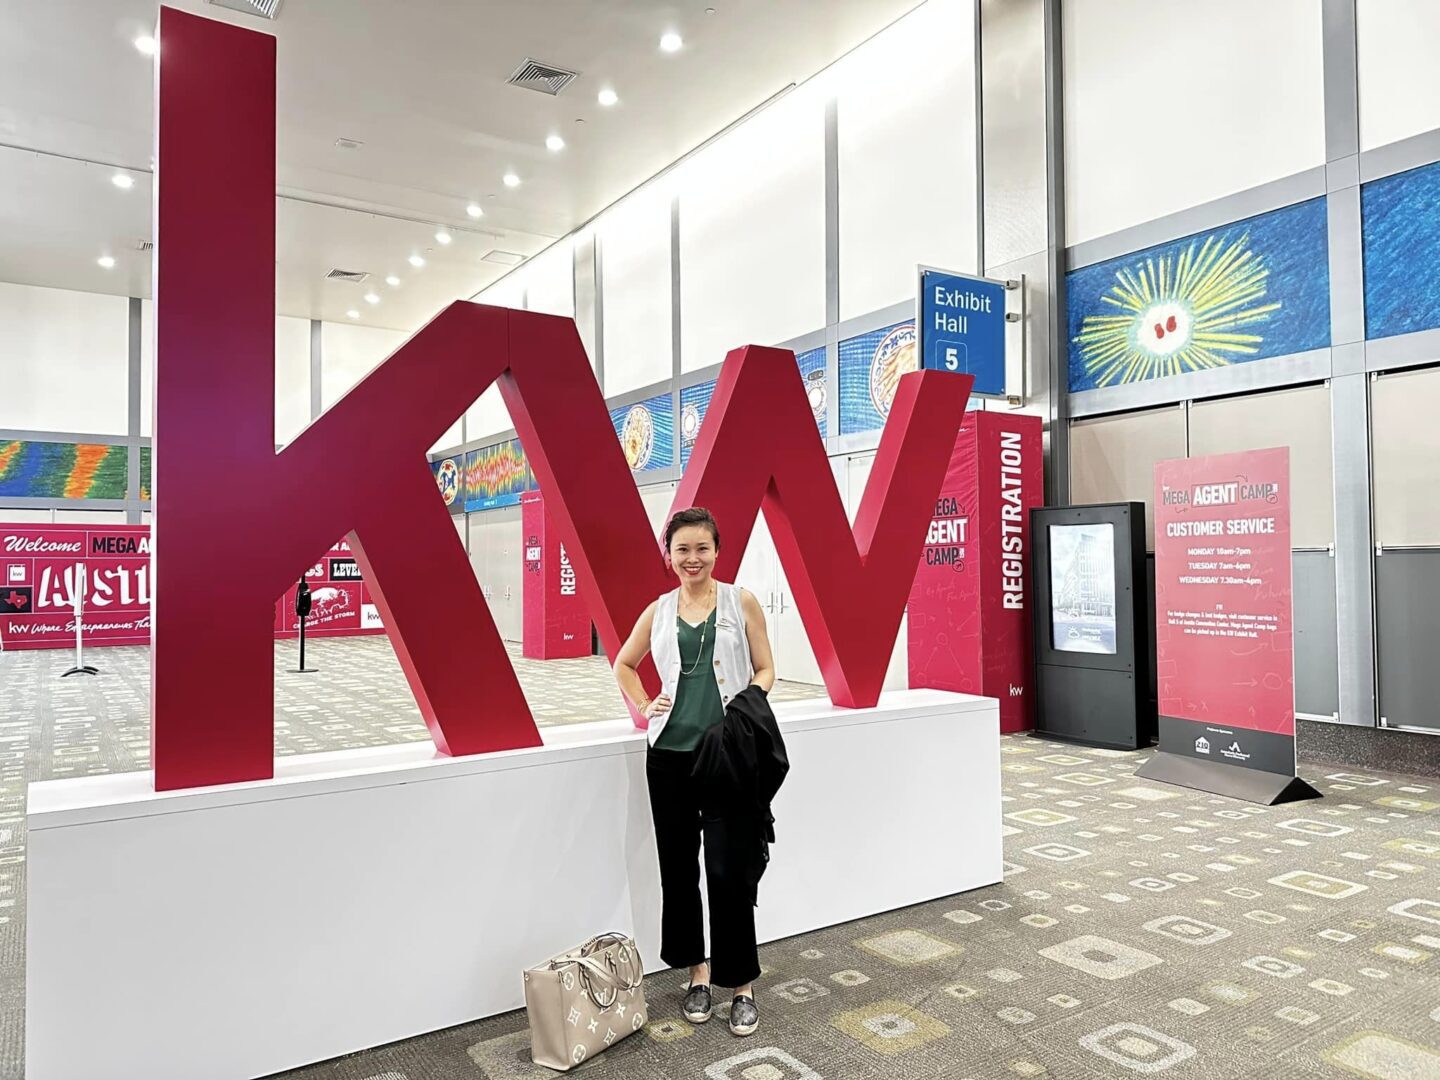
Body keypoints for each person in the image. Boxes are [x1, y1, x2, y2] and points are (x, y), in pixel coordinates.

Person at [612, 506, 777, 1038]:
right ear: (669, 555)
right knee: (679, 870)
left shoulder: (740, 601)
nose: (692, 558)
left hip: (725, 756)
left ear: (716, 550)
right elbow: (624, 662)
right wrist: (645, 706)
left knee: (731, 872)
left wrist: (746, 708)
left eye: (701, 547)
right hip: (670, 757)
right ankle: (697, 974)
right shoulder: (658, 611)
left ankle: (741, 985)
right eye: (682, 549)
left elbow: (766, 668)